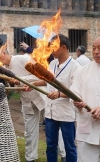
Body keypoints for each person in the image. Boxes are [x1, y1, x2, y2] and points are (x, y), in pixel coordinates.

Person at [30, 34, 79, 162]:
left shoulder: (75, 67)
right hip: (50, 113)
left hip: (66, 113)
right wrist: (33, 84)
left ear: (64, 47)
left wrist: (58, 94)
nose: (51, 50)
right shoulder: (52, 63)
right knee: (51, 145)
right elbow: (48, 81)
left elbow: (75, 91)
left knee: (70, 147)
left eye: (54, 47)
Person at [0, 48, 45, 162]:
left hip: (42, 97)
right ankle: (30, 158)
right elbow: (17, 89)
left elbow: (41, 76)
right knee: (29, 132)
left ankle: (63, 154)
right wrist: (11, 84)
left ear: (4, 53)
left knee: (52, 128)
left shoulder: (23, 59)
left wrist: (19, 80)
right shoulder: (6, 69)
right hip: (27, 102)